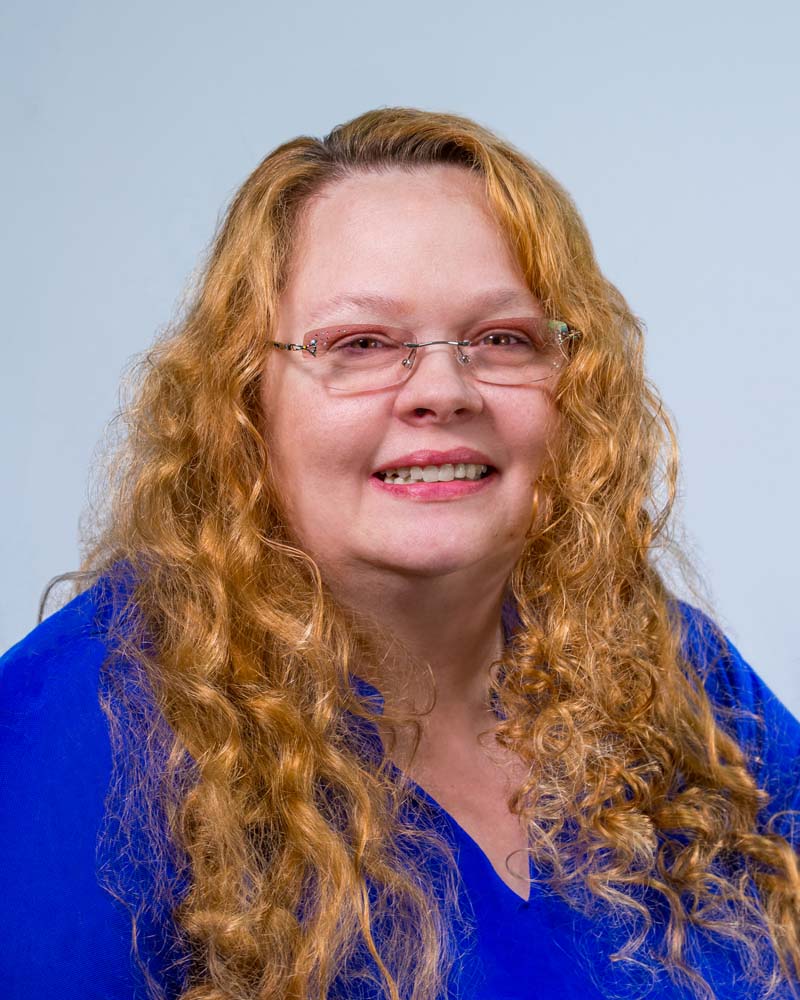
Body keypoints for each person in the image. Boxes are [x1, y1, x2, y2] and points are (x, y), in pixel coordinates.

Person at [1, 107, 799, 1000]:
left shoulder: (666, 669)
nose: (444, 391)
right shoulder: (85, 722)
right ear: (242, 398)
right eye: (361, 345)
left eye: (502, 339)